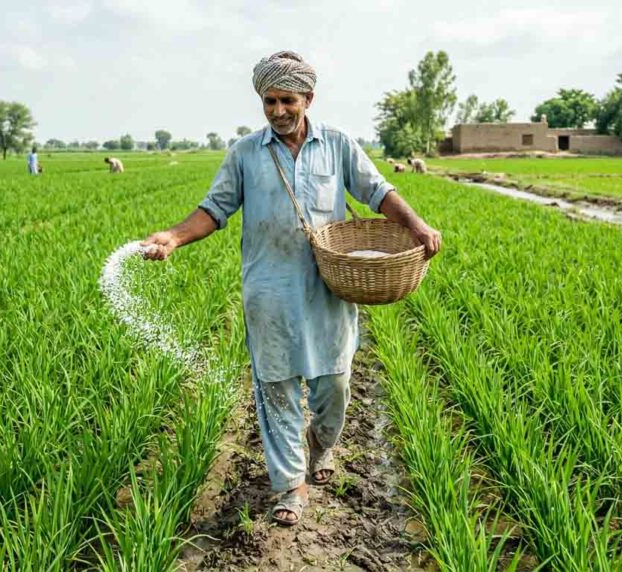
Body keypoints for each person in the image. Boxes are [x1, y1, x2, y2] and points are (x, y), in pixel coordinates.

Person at [141, 51, 441, 527]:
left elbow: (378, 191)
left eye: (286, 100)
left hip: (328, 288)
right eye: (268, 101)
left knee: (335, 384)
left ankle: (320, 447)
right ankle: (290, 486)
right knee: (276, 388)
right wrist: (173, 238)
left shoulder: (338, 145)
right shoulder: (245, 153)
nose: (278, 111)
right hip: (269, 290)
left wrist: (417, 225)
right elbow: (214, 209)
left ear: (308, 99)